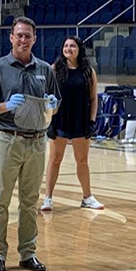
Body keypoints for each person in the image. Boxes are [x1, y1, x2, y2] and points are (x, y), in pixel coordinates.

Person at [0, 17, 59, 271]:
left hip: (36, 142)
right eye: (19, 35)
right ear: (11, 37)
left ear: (34, 39)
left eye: (28, 36)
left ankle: (28, 253)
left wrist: (53, 105)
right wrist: (4, 106)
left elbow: (54, 106)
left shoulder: (45, 70)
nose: (23, 40)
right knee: (0, 200)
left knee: (29, 202)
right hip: (6, 139)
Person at [42, 36, 103, 211]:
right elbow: (47, 98)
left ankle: (87, 197)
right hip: (60, 118)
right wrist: (49, 121)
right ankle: (48, 198)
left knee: (82, 160)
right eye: (66, 46)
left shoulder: (88, 71)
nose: (69, 48)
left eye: (72, 46)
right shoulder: (54, 69)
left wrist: (92, 121)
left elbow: (93, 99)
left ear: (79, 49)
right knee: (55, 159)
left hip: (80, 119)